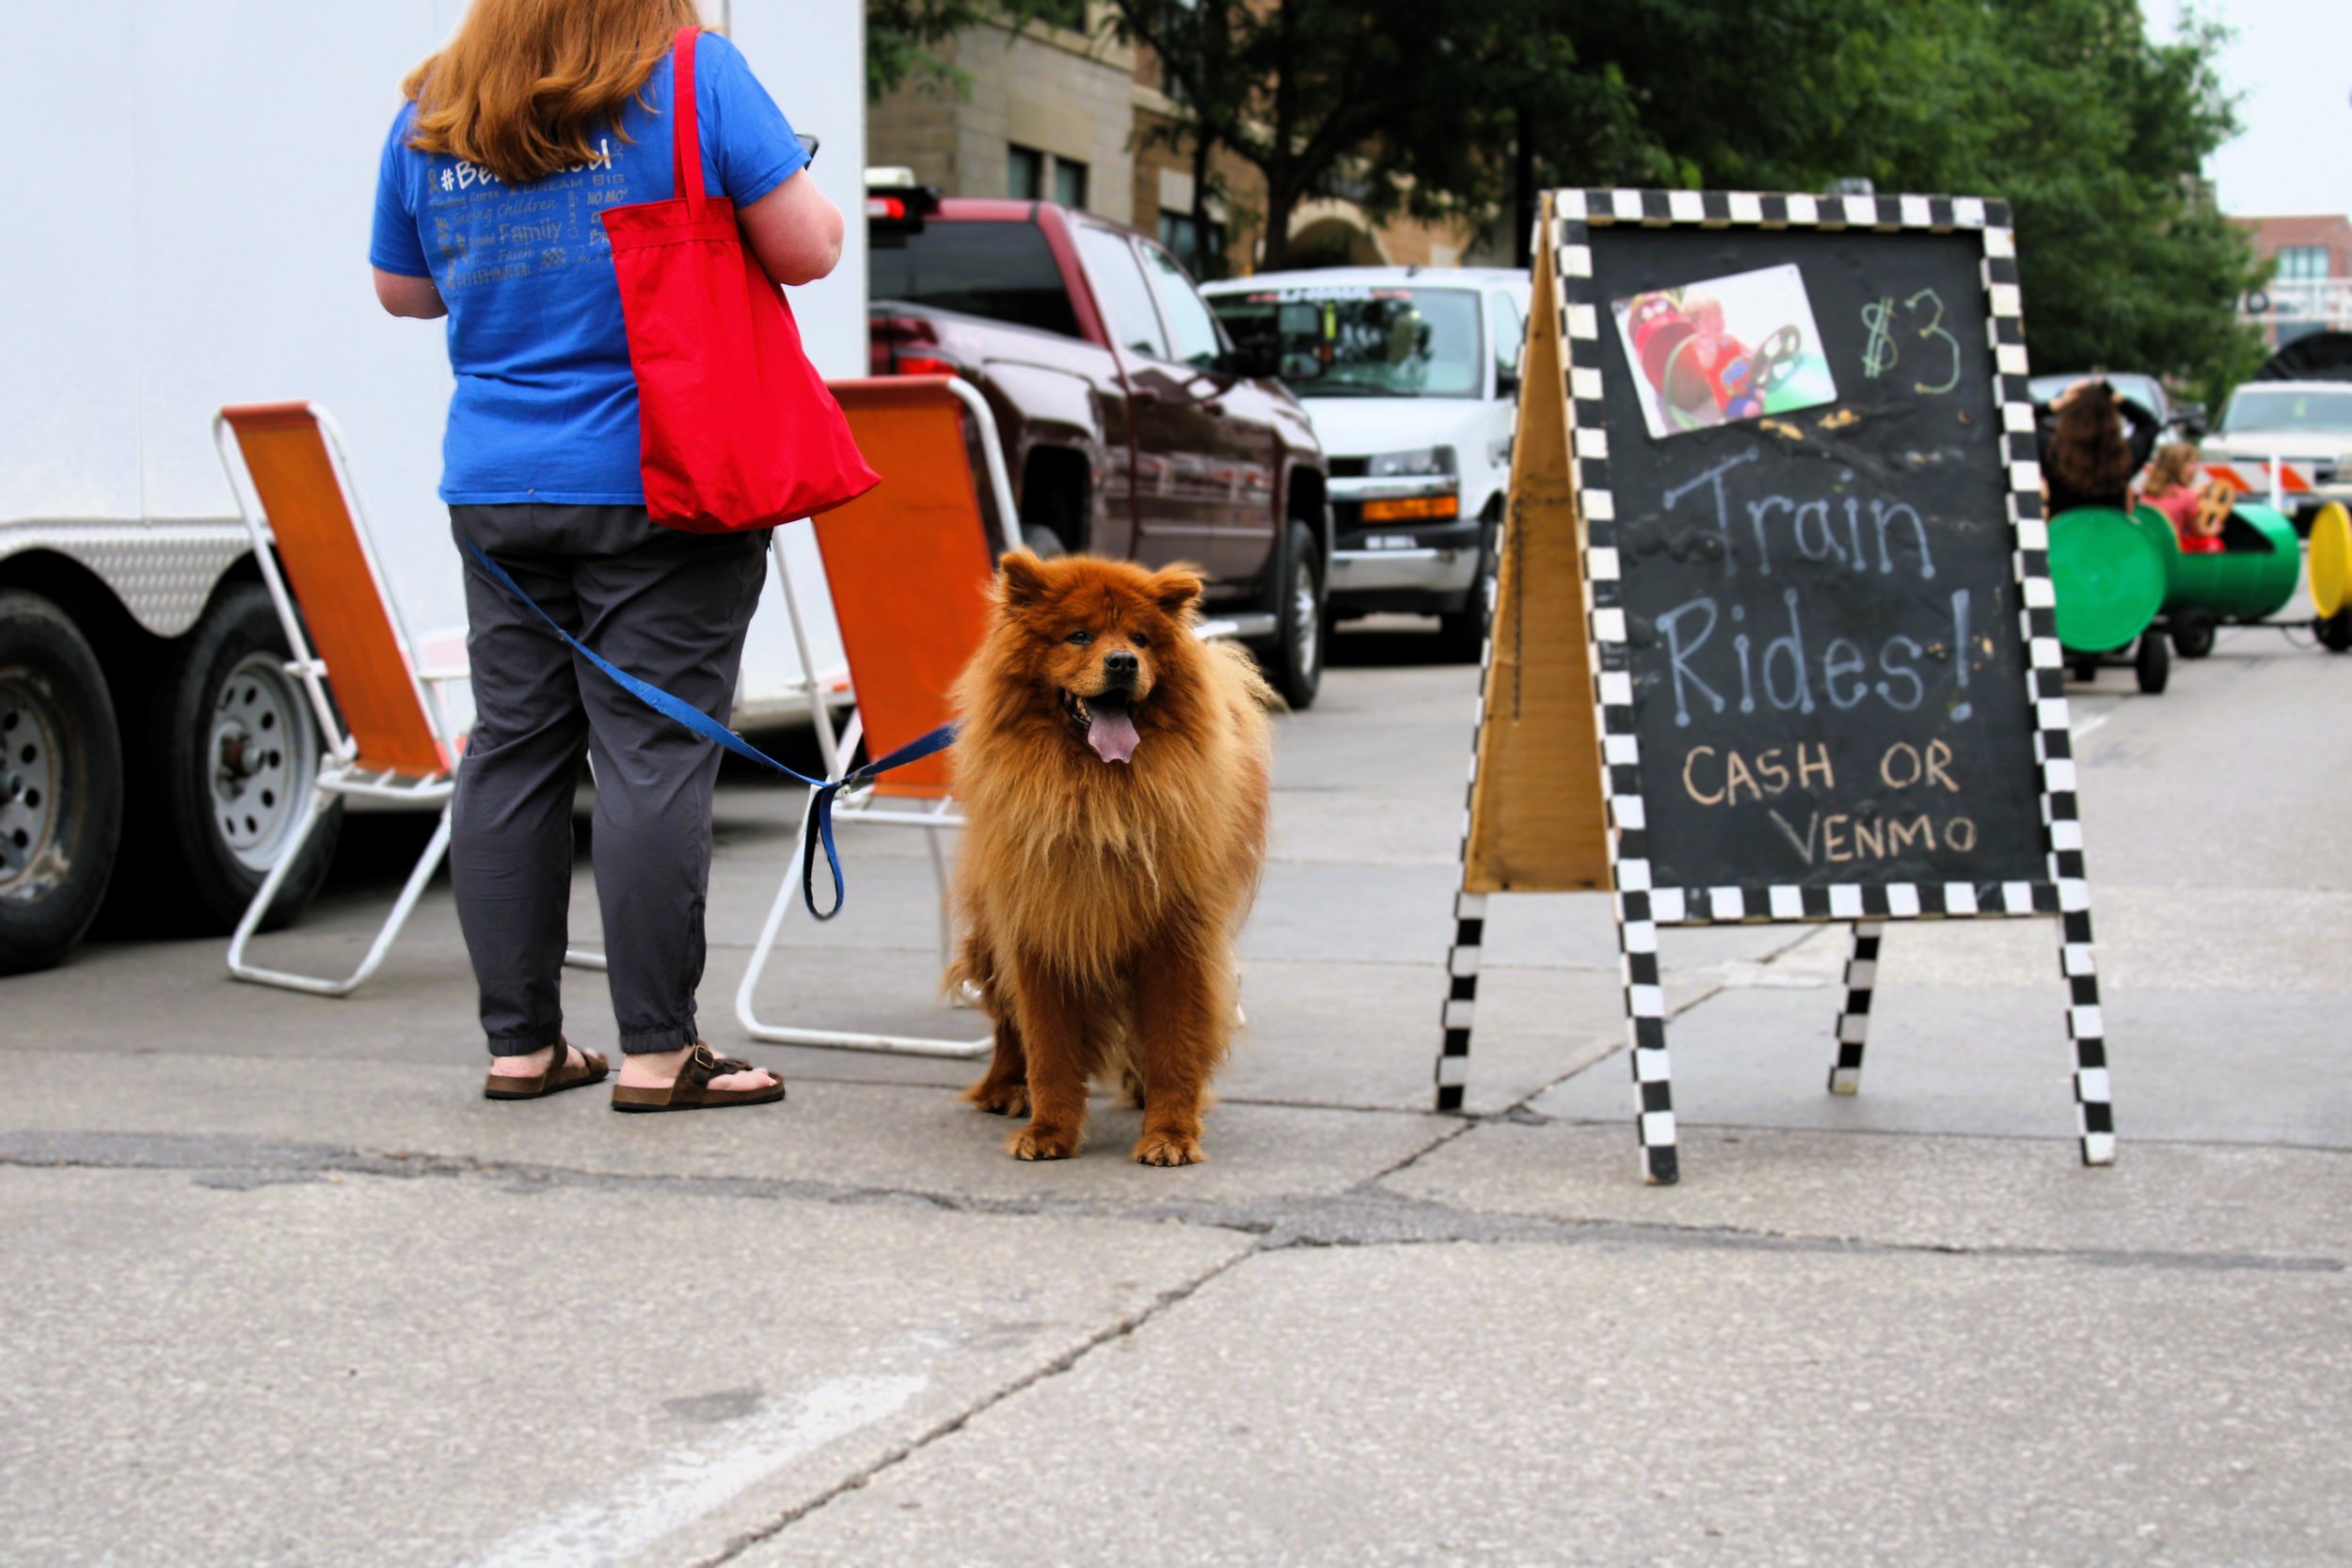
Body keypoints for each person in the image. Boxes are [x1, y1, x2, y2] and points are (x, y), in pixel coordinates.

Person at [371, 0, 843, 1109]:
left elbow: (404, 289)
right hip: (660, 474)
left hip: (497, 484)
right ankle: (657, 1052)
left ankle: (522, 1046)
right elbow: (810, 247)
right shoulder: (693, 76)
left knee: (512, 750)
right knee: (651, 754)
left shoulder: (433, 103)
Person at [2035, 378, 2158, 516]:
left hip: (2065, 528)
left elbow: (2022, 421)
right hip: (2112, 527)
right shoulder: (2125, 456)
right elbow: (2150, 425)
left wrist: (2055, 404)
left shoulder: (2052, 453)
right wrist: (2120, 401)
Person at [2140, 440, 2225, 554]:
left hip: (2149, 545)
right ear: (2176, 466)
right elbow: (2198, 532)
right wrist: (2214, 529)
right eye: (2191, 463)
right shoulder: (2187, 496)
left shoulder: (2147, 493)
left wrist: (2193, 495)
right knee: (2215, 543)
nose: (2196, 468)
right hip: (2171, 549)